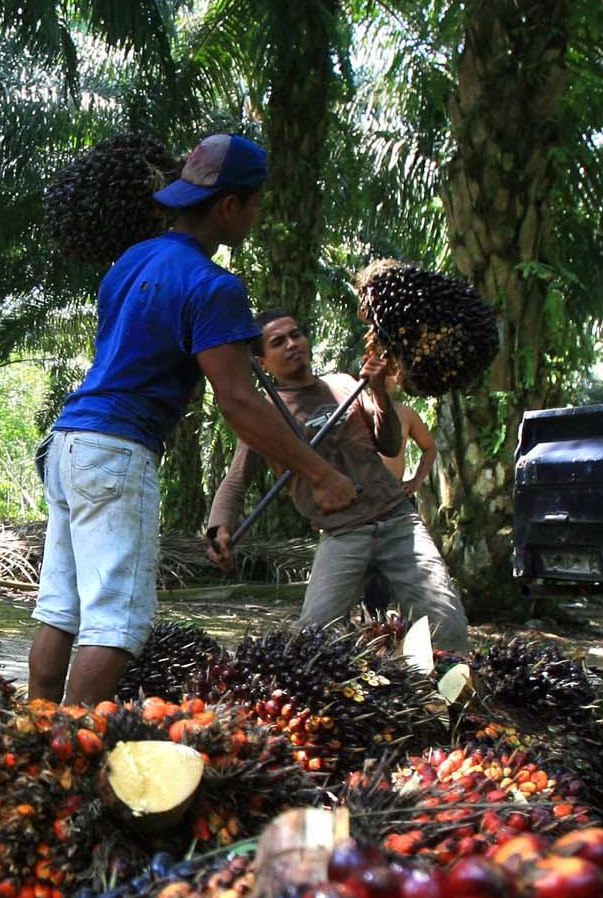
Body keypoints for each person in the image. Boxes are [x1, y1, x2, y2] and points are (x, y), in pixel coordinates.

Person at [30, 134, 358, 706]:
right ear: (229, 206)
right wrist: (319, 473)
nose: (255, 217)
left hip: (68, 443)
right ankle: (69, 758)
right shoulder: (214, 285)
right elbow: (237, 401)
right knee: (115, 619)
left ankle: (32, 733)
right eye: (255, 205)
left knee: (62, 605)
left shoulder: (131, 261)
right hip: (116, 449)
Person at [206, 311, 469, 649]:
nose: (292, 344)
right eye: (278, 342)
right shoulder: (265, 413)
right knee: (312, 639)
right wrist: (219, 528)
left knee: (446, 625)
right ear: (262, 360)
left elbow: (388, 444)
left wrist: (379, 393)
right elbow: (235, 480)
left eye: (296, 334)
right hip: (342, 532)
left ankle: (442, 694)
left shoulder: (345, 384)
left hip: (396, 521)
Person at [361, 364, 438, 613]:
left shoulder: (406, 414)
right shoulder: (352, 412)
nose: (384, 380)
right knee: (363, 566)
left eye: (388, 376)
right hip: (360, 501)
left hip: (396, 499)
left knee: (404, 565)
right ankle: (368, 622)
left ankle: (402, 623)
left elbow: (430, 447)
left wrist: (415, 481)